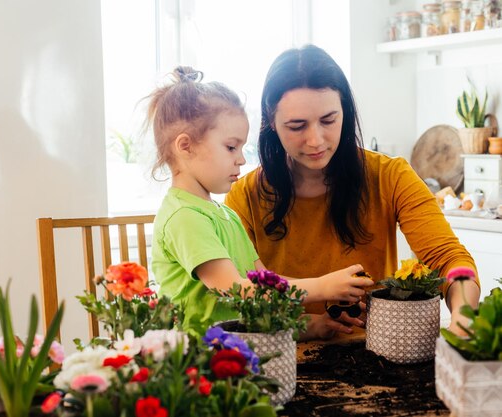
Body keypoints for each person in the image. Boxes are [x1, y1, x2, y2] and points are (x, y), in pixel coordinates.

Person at [224, 45, 481, 340]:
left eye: (329, 120)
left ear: (345, 110)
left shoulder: (390, 176)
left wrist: (462, 319)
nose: (316, 140)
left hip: (378, 357)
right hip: (279, 361)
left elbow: (449, 259)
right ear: (271, 121)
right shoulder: (244, 197)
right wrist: (310, 321)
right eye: (297, 126)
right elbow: (238, 295)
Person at [146, 66, 374, 335]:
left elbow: (266, 287)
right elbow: (239, 292)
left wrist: (313, 325)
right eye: (231, 147)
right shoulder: (184, 217)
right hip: (202, 362)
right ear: (185, 146)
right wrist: (320, 287)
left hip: (241, 352)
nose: (241, 159)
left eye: (242, 148)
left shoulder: (225, 215)